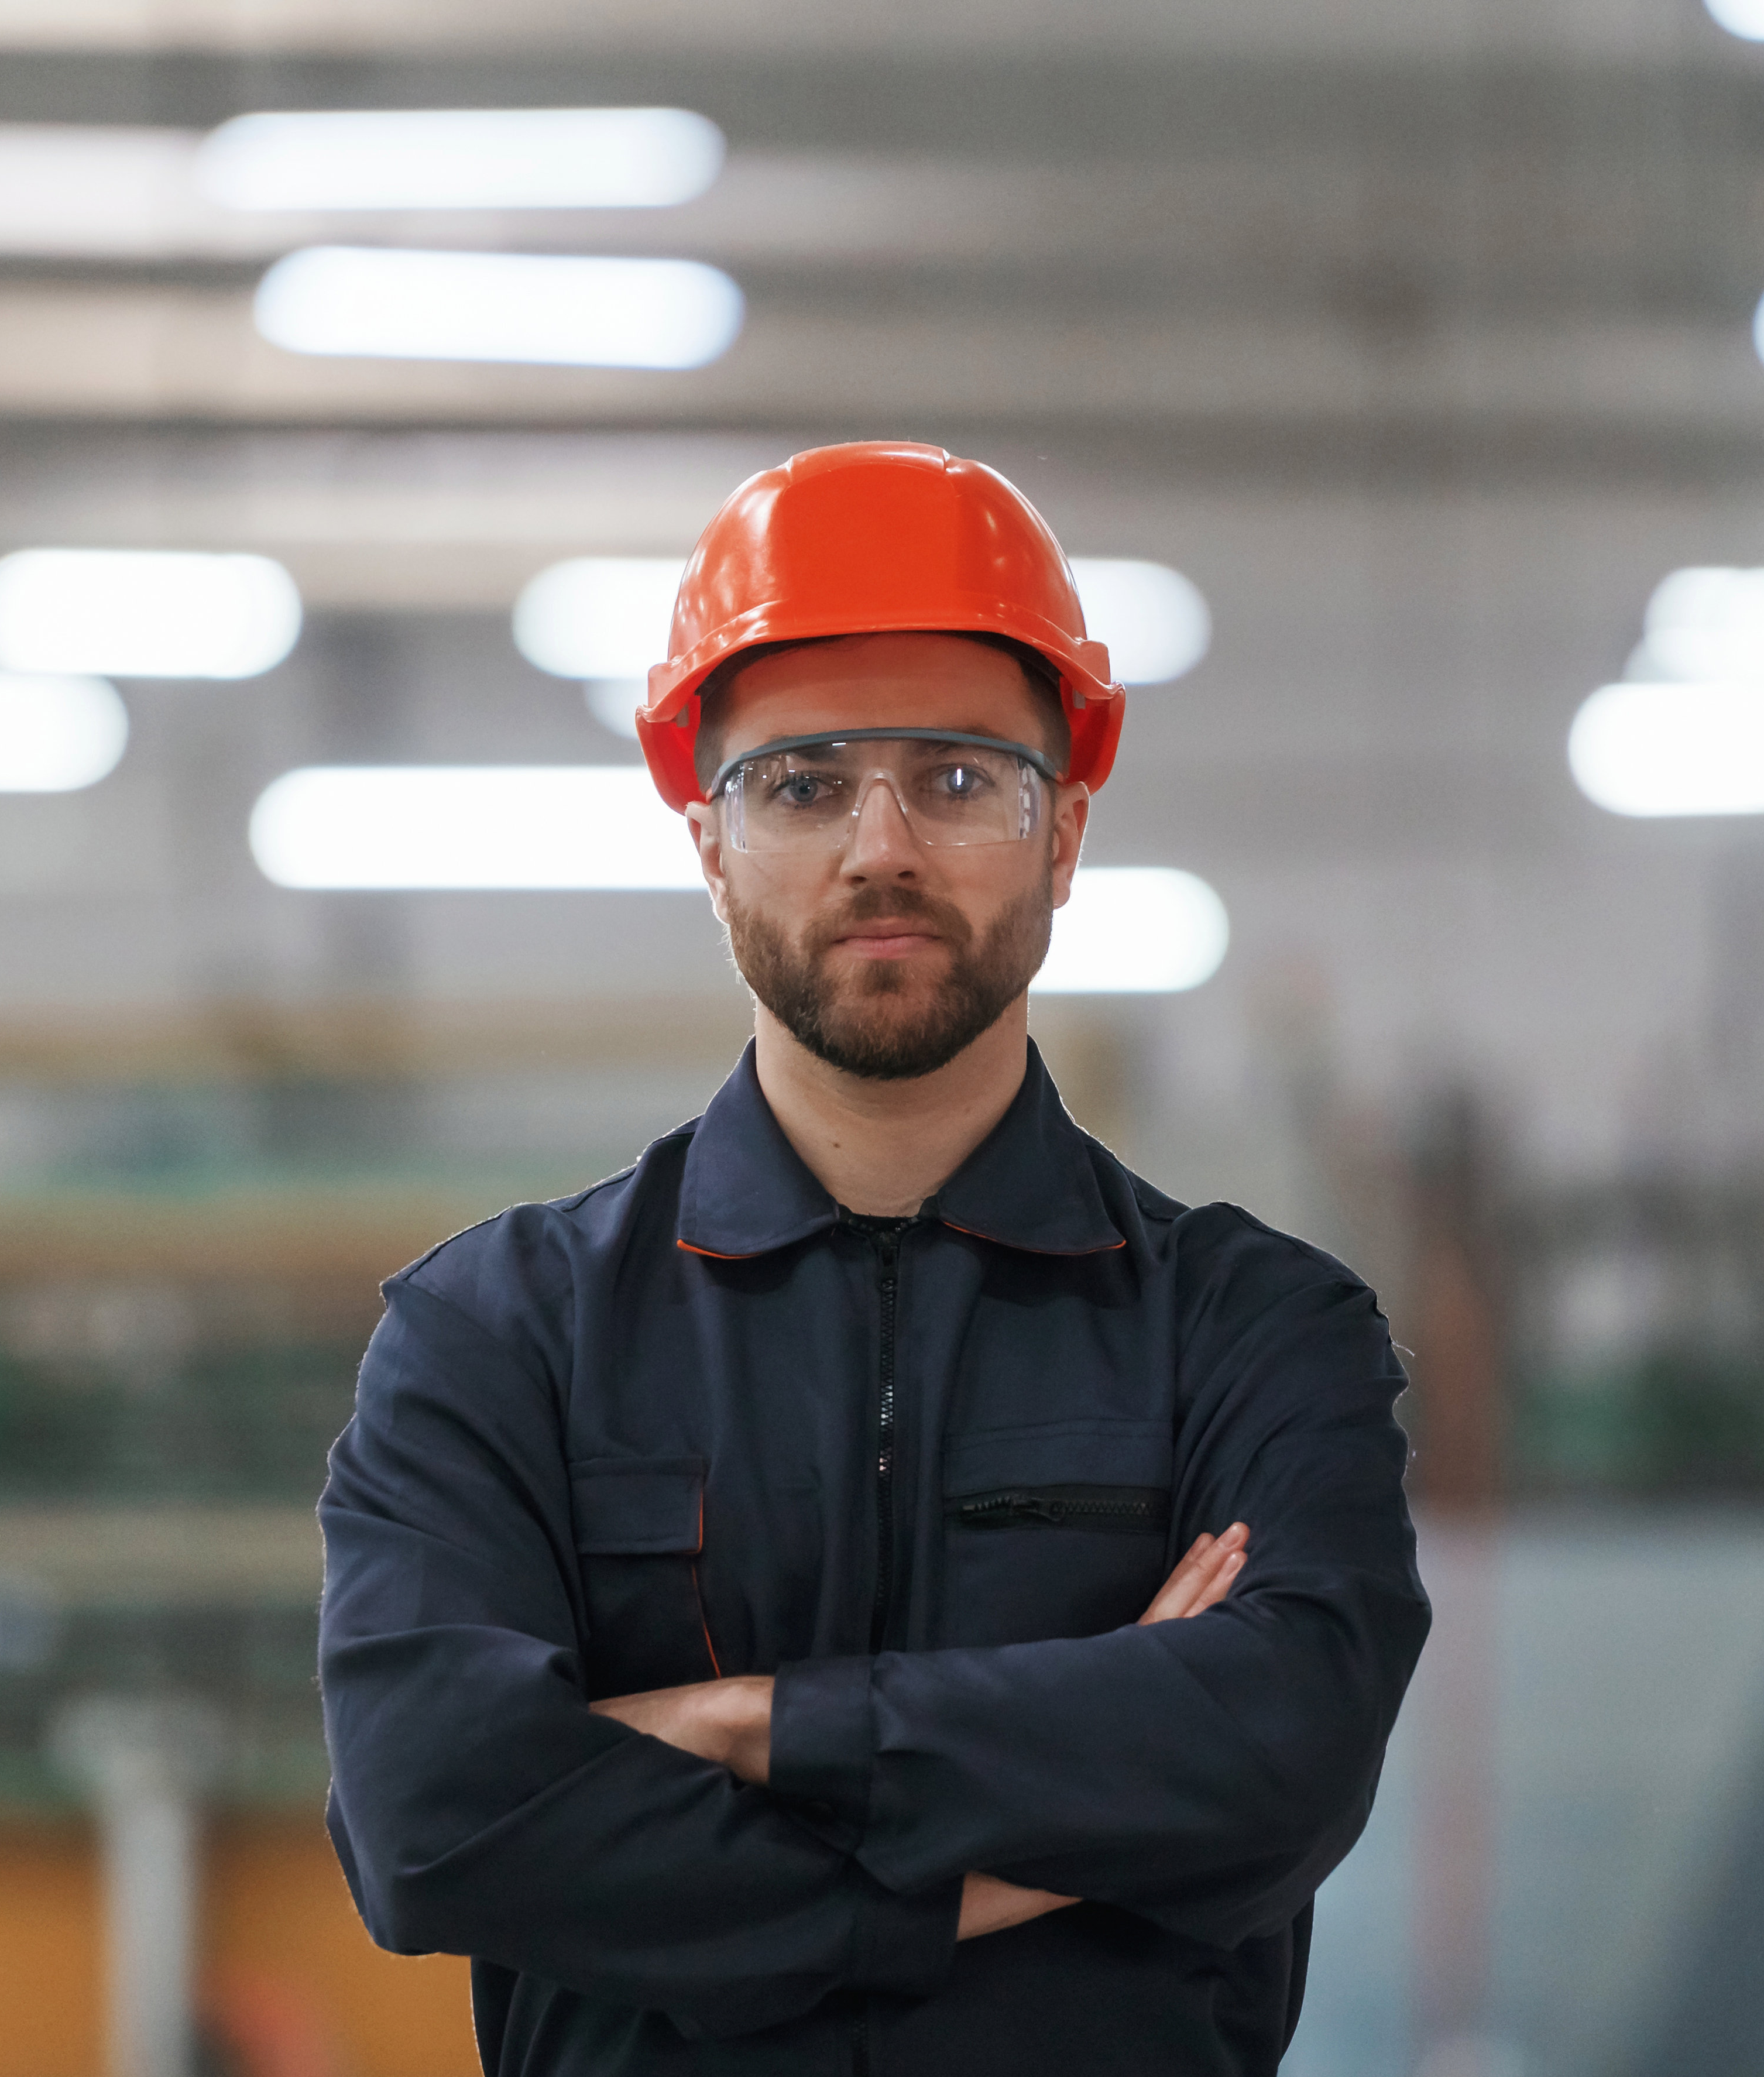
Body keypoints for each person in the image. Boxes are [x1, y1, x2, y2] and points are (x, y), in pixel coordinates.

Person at [320, 441, 1427, 2076]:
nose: (881, 848)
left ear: (1063, 837)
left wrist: (749, 1724)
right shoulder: (500, 1335)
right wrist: (1031, 1813)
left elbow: (1277, 1757)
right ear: (710, 845)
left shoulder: (1256, 1336)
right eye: (803, 783)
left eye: (962, 778)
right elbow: (434, 1825)